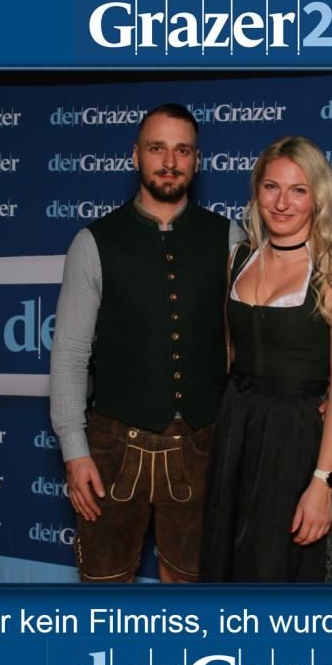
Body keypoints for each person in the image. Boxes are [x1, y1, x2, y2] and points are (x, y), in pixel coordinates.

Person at [50, 103, 244, 583]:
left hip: (202, 447)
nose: (170, 162)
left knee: (193, 586)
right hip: (113, 451)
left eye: (183, 150)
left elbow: (253, 338)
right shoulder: (92, 242)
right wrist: (74, 451)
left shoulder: (230, 238)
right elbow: (70, 355)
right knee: (104, 586)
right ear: (135, 155)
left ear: (198, 160)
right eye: (158, 148)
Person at [201, 135, 332, 582]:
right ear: (256, 190)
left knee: (280, 570)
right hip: (236, 431)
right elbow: (231, 352)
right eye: (271, 187)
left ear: (318, 197)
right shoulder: (238, 258)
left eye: (298, 190)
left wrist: (322, 483)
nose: (281, 203)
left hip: (296, 444)